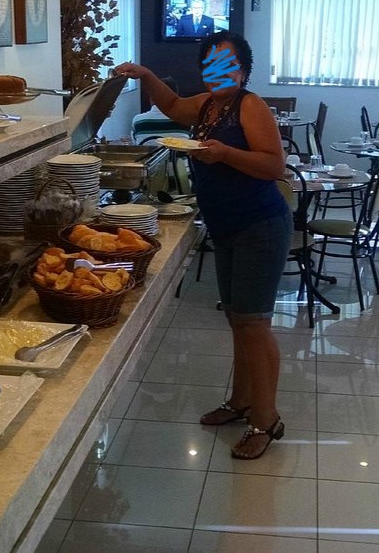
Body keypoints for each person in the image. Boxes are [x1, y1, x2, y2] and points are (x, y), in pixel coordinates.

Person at [114, 32, 291, 460]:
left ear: (243, 70)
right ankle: (241, 401)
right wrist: (146, 75)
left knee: (254, 324)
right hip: (227, 226)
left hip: (260, 225)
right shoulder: (208, 105)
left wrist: (225, 153)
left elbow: (274, 165)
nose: (219, 71)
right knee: (238, 320)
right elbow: (174, 106)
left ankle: (266, 420)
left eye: (228, 64)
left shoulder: (250, 105)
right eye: (211, 64)